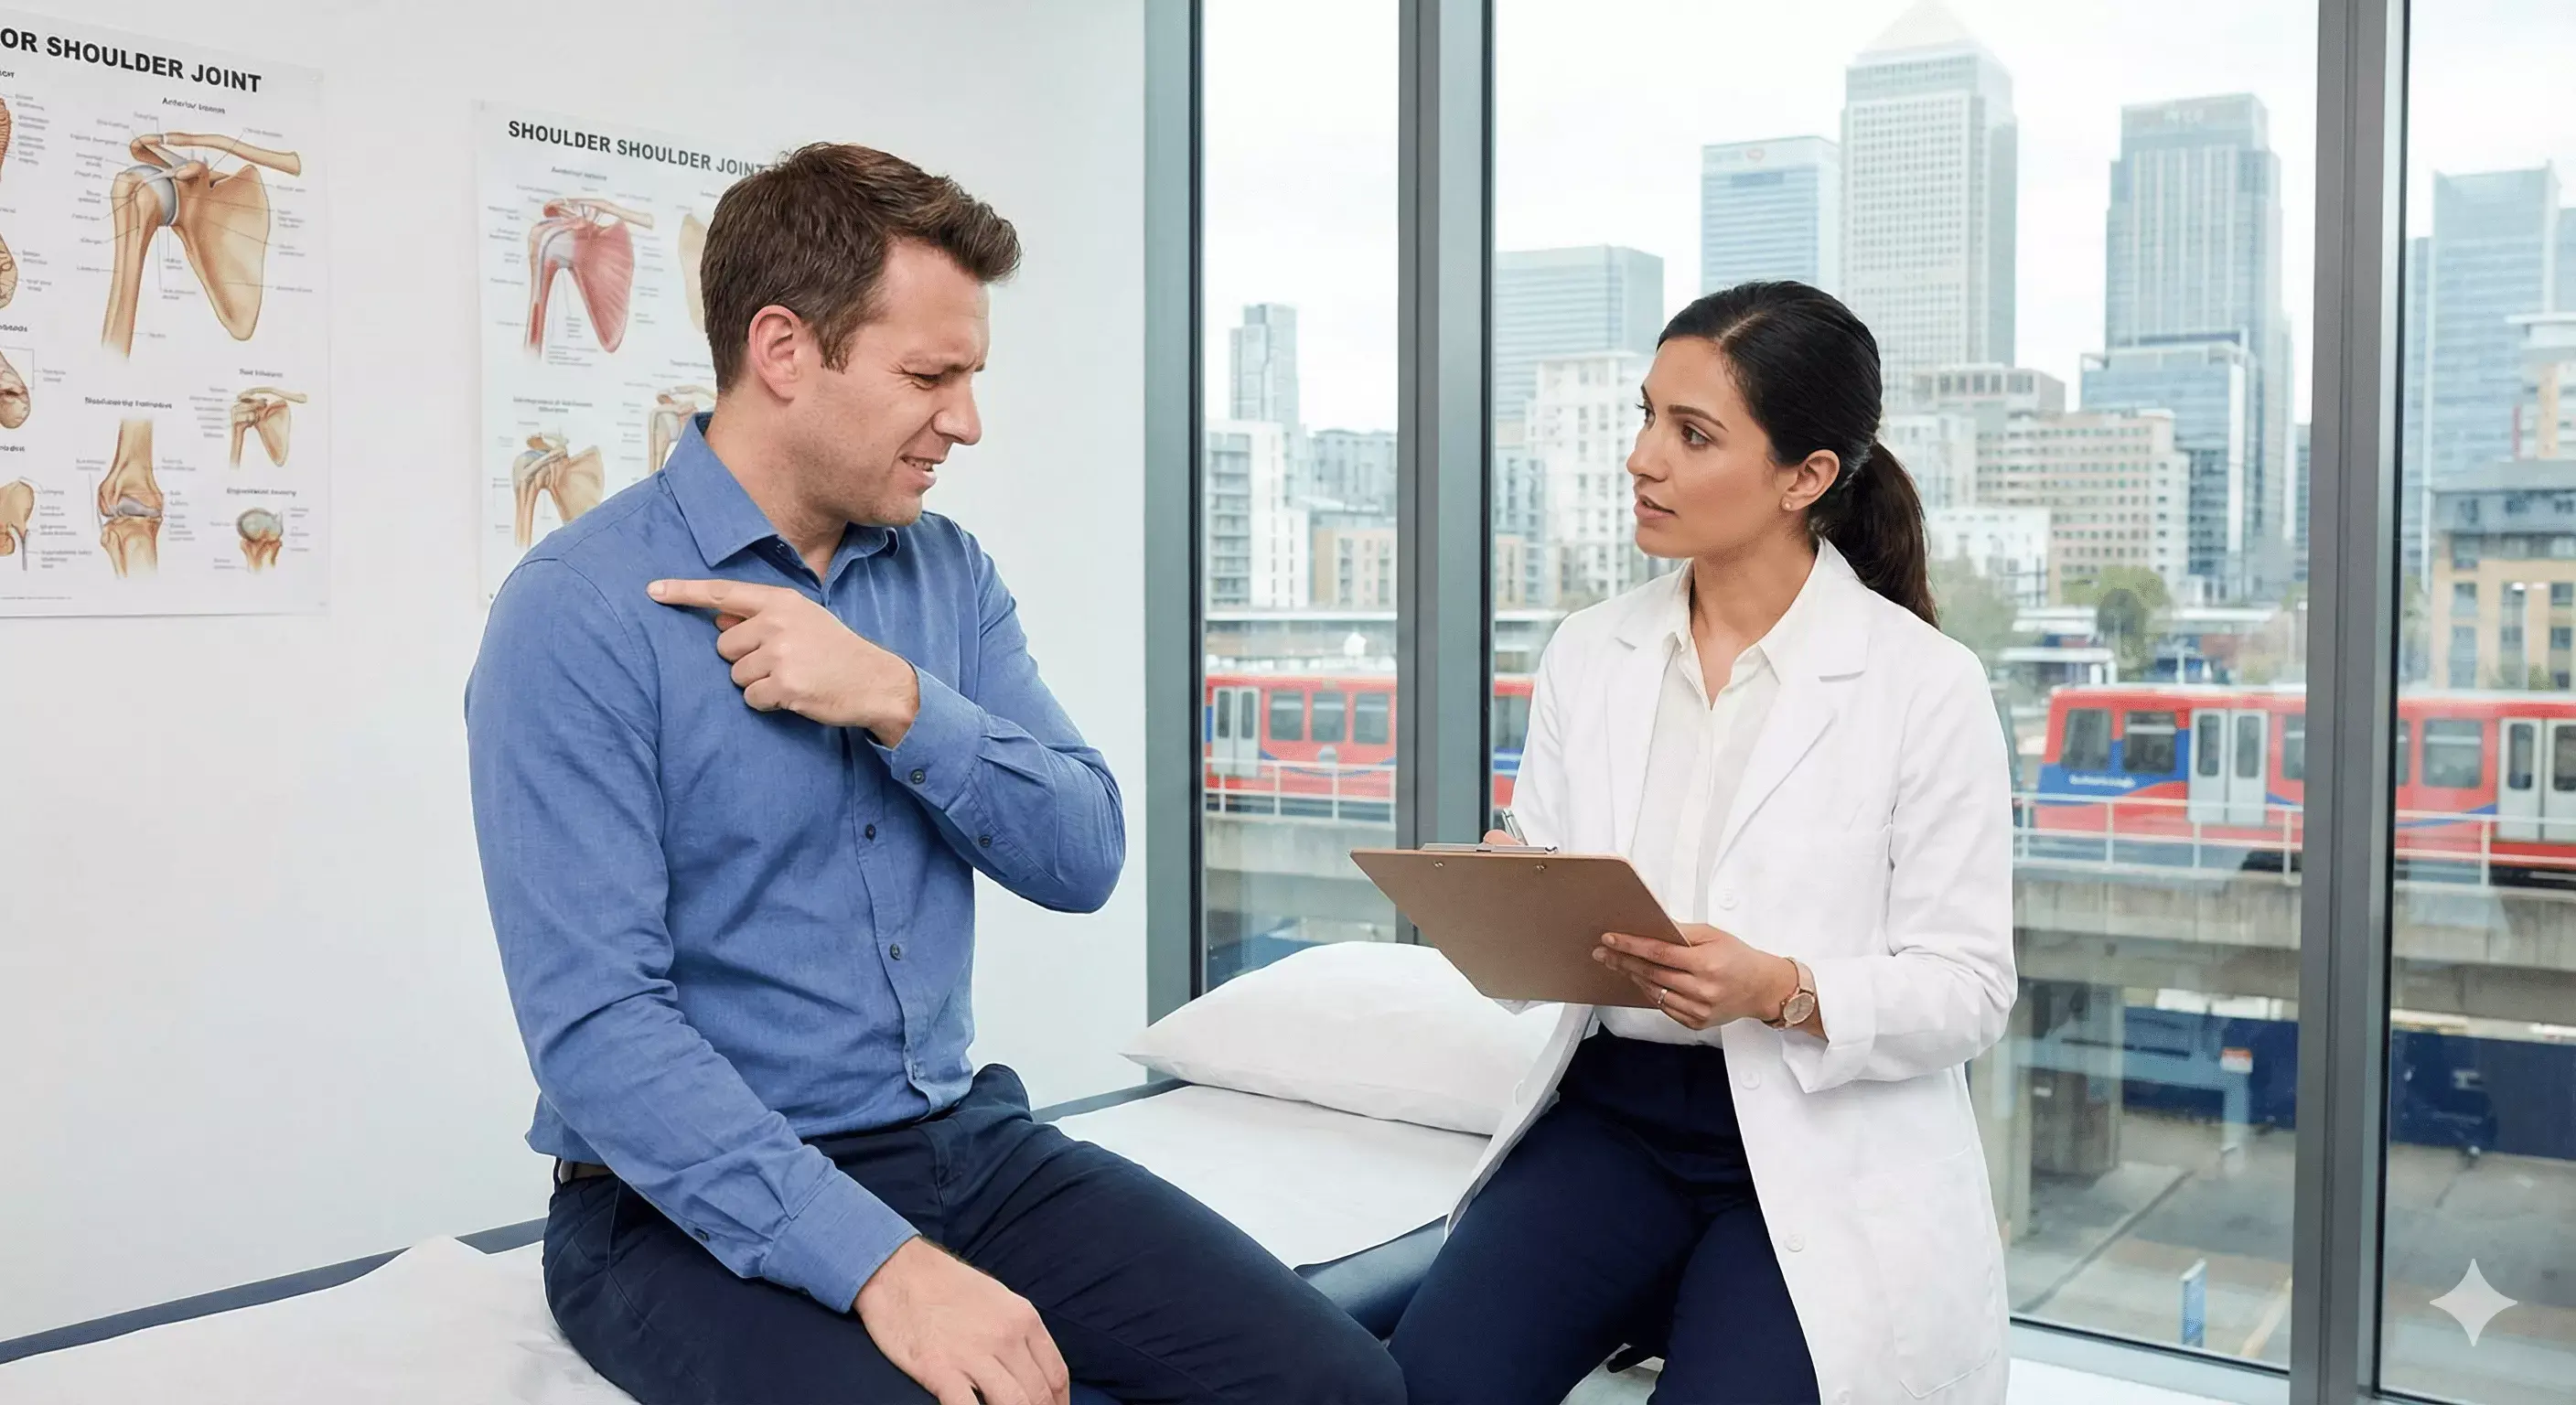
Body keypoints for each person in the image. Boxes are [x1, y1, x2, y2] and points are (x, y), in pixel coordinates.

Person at [466, 143, 1401, 1405]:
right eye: (930, 375)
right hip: (670, 1213)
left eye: (970, 376)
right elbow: (598, 1032)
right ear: (786, 351)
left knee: (1344, 1391)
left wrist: (897, 701)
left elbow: (1083, 855)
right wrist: (883, 1265)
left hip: (969, 1150)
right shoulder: (576, 613)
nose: (966, 420)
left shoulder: (944, 575)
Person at [1387, 281, 2016, 1405]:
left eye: (1690, 434)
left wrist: (1781, 988)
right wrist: (1509, 902)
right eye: (1645, 418)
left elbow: (1967, 991)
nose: (1641, 458)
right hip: (1610, 1117)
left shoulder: (1923, 685)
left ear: (1804, 478)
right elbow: (1542, 951)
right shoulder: (1591, 652)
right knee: (1427, 1388)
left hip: (1810, 1137)